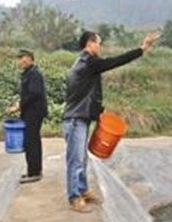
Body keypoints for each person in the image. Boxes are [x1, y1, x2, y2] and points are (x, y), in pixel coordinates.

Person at [63, 31, 160, 212]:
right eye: (99, 43)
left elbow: (84, 92)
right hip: (75, 120)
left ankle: (82, 190)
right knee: (75, 159)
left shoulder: (83, 63)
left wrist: (99, 111)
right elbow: (115, 61)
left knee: (81, 158)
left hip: (79, 118)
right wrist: (143, 48)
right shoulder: (88, 62)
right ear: (90, 43)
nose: (100, 47)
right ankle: (74, 197)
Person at [7, 49, 48, 184]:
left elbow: (34, 93)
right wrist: (20, 104)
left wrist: (19, 105)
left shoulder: (34, 74)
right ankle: (33, 171)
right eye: (20, 58)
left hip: (35, 112)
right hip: (30, 112)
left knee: (32, 141)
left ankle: (35, 172)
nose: (22, 60)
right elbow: (28, 94)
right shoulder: (27, 74)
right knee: (31, 141)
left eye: (25, 57)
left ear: (31, 59)